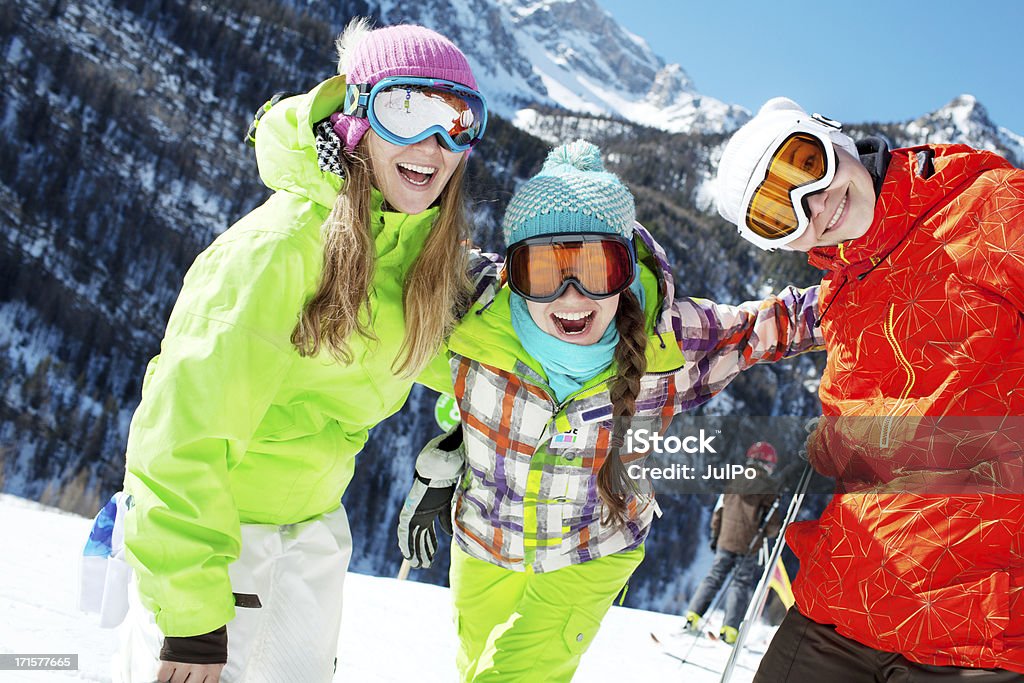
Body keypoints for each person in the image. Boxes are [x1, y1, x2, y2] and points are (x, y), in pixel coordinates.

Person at [113, 19, 489, 683]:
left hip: (312, 537)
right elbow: (178, 438)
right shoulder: (277, 251)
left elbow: (467, 361)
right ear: (357, 117)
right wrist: (192, 614)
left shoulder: (416, 265)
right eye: (406, 108)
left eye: (458, 119)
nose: (432, 143)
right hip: (215, 541)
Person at [398, 139, 824, 681]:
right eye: (546, 271)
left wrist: (882, 292)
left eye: (597, 268)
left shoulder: (669, 344)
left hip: (591, 550)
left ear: (624, 270)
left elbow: (773, 323)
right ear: (511, 274)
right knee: (472, 667)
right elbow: (376, 264)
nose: (572, 297)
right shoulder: (470, 310)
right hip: (483, 541)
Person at [715, 97, 1024, 680]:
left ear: (833, 136)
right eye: (779, 218)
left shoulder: (992, 208)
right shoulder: (838, 296)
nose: (813, 205)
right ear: (782, 245)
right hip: (844, 604)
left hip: (984, 629)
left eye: (803, 166)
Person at [682, 441, 781, 644]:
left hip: (725, 540)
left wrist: (715, 536)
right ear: (766, 464)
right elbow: (772, 527)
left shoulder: (734, 480)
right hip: (749, 545)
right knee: (740, 584)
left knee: (714, 578)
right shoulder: (769, 488)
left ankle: (693, 617)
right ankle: (729, 630)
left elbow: (719, 510)